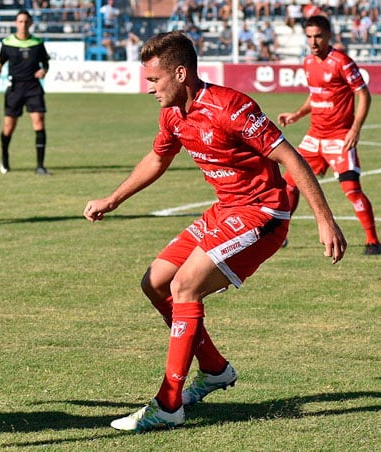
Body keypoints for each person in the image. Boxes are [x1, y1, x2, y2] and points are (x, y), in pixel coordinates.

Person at [83, 31, 346, 432]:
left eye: (154, 80)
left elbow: (291, 158)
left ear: (181, 73)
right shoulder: (172, 114)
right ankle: (214, 369)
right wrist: (112, 199)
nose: (148, 89)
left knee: (184, 286)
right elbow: (157, 158)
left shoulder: (232, 108)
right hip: (224, 211)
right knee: (154, 282)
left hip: (263, 213)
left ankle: (168, 404)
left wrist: (325, 220)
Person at [277, 15, 380, 255]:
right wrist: (298, 114)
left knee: (351, 189)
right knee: (289, 185)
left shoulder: (342, 62)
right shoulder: (308, 62)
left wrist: (354, 129)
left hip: (339, 136)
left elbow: (364, 95)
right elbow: (317, 95)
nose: (313, 42)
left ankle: (373, 242)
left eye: (318, 36)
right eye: (309, 37)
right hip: (315, 136)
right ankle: (281, 235)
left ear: (329, 36)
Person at [0, 9, 50, 175]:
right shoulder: (7, 43)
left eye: (26, 21)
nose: (23, 24)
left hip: (33, 87)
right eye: (20, 21)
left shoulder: (37, 43)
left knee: (39, 121)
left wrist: (43, 71)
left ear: (30, 23)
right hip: (15, 88)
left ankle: (40, 165)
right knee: (9, 127)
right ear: (16, 23)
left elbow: (45, 64)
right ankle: (5, 158)